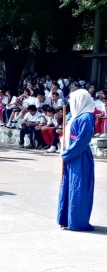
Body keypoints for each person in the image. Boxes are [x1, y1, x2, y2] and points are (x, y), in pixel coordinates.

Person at [57, 89, 96, 231]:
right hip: (69, 154)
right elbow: (66, 129)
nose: (70, 103)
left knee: (77, 188)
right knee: (67, 185)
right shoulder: (73, 115)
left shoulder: (87, 118)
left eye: (73, 100)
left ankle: (77, 221)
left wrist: (67, 154)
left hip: (79, 156)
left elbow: (82, 140)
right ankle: (65, 218)